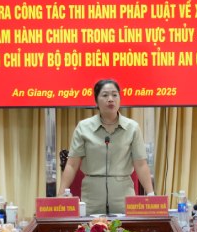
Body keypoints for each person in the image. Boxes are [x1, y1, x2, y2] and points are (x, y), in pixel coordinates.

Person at [60, 79, 154, 214]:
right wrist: (60, 195)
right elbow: (72, 165)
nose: (110, 99)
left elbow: (141, 164)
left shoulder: (132, 128)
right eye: (105, 95)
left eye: (115, 95)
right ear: (96, 101)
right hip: (92, 197)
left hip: (123, 196)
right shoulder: (83, 127)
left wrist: (151, 195)